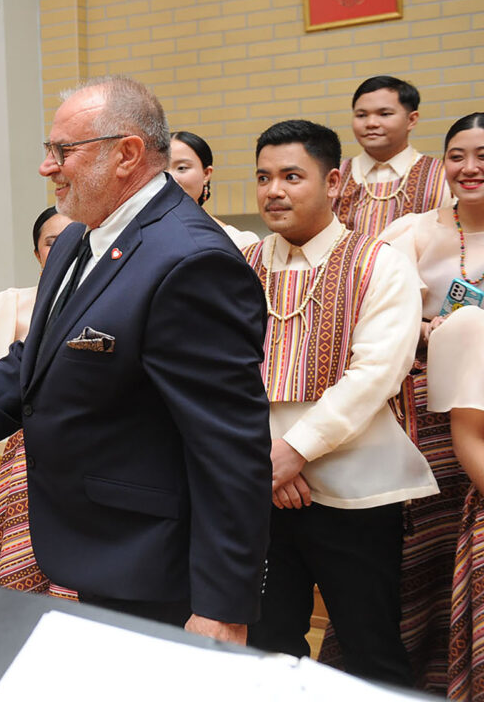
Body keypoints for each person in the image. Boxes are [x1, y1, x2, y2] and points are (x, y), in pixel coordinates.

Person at [0, 75, 273, 643]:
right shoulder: (84, 239)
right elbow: (37, 357)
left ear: (127, 153)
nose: (47, 167)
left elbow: (229, 446)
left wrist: (223, 605)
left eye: (62, 151)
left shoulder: (190, 260)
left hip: (158, 571)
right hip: (98, 549)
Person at [242, 119, 436, 686]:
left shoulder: (379, 262)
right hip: (259, 483)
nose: (274, 190)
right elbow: (218, 372)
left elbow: (377, 372)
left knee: (369, 645)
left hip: (357, 492)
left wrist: (296, 449)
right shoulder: (243, 265)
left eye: (291, 176)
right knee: (267, 642)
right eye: (263, 177)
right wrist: (268, 461)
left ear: (332, 183)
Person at [378, 113, 484, 700]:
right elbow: (376, 320)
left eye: (483, 156)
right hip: (428, 415)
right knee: (424, 559)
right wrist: (432, 330)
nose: (469, 168)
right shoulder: (411, 233)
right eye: (457, 156)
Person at [0, 206, 74, 598]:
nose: (62, 250)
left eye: (73, 239)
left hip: (86, 450)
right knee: (24, 563)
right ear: (36, 252)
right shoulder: (13, 304)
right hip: (28, 452)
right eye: (51, 242)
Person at [332, 75, 451, 236]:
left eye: (385, 114)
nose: (371, 123)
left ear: (412, 120)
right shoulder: (334, 175)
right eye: (361, 115)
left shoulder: (442, 175)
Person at [169, 130, 260, 249]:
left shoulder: (238, 242)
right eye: (160, 170)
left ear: (206, 174)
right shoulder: (139, 233)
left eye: (182, 168)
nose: (170, 178)